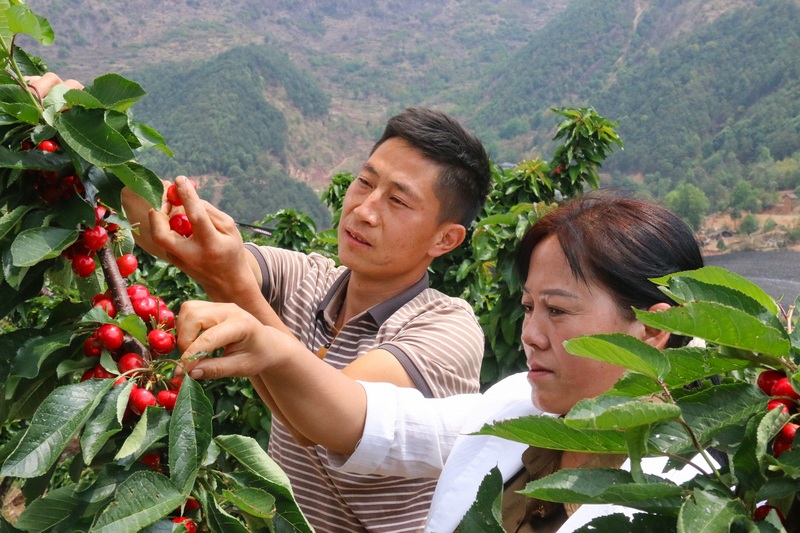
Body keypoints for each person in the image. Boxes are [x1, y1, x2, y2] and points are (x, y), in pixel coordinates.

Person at [174, 190, 708, 532]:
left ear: (655, 327)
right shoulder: (514, 408)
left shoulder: (694, 490)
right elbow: (364, 423)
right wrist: (275, 347)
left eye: (558, 311)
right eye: (528, 308)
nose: (531, 335)